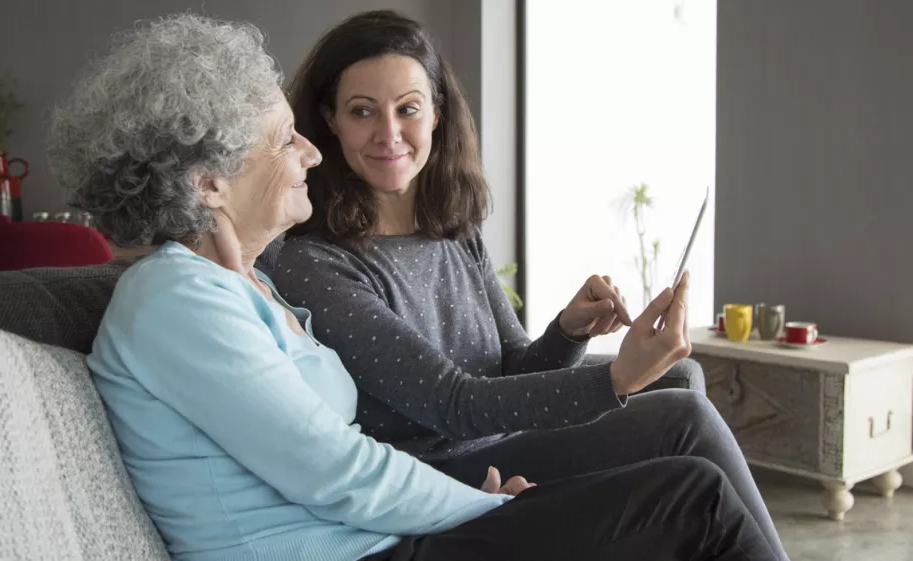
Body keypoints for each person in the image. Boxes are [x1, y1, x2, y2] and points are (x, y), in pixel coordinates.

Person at [47, 12, 781, 561]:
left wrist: (566, 337)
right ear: (208, 183)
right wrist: (475, 503)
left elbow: (342, 455)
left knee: (684, 444)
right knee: (694, 489)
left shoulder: (241, 288)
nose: (309, 147)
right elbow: (342, 468)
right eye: (286, 136)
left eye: (408, 108)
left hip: (372, 530)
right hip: (355, 545)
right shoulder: (179, 302)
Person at [278, 9, 789, 561]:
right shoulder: (318, 262)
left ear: (437, 116)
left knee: (682, 377)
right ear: (329, 119)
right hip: (438, 470)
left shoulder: (453, 230)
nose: (389, 134)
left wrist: (568, 331)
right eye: (362, 112)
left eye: (409, 109)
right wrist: (616, 378)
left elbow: (512, 367)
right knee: (681, 418)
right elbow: (454, 405)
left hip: (499, 441)